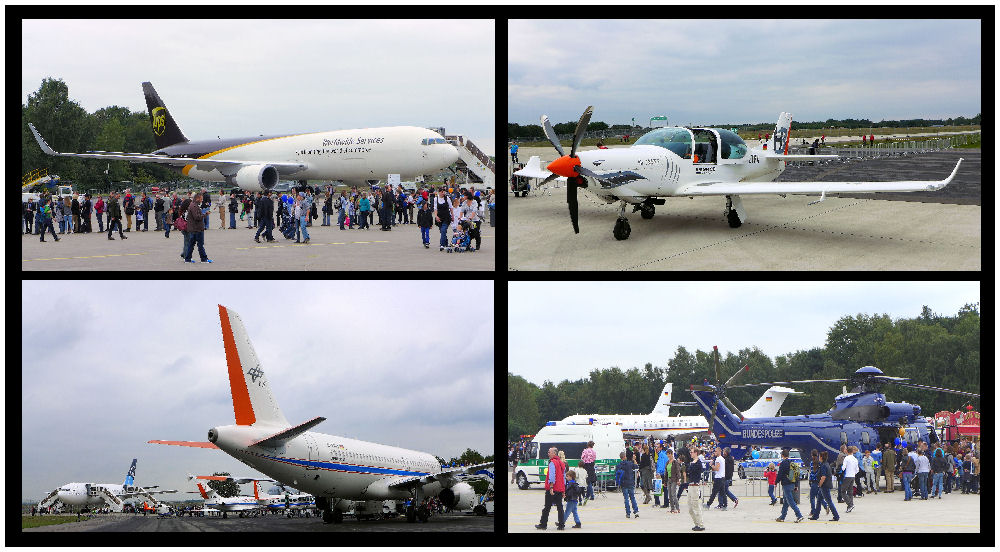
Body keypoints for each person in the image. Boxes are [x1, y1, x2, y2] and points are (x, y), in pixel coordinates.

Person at [535, 447, 566, 530]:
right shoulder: (561, 463)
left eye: (549, 452)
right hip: (560, 488)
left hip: (553, 488)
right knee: (560, 507)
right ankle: (561, 525)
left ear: (554, 453)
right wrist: (563, 490)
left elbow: (552, 476)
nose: (548, 453)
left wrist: (551, 487)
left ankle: (543, 524)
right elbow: (564, 477)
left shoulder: (552, 463)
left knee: (547, 507)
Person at [183, 192, 213, 263]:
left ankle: (188, 259)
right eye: (201, 199)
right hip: (197, 229)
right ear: (197, 198)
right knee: (200, 245)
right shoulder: (194, 206)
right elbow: (197, 217)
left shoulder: (194, 205)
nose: (202, 200)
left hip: (194, 228)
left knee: (191, 244)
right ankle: (203, 259)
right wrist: (205, 214)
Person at [776, 448, 804, 522]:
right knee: (786, 501)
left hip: (786, 485)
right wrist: (796, 485)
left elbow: (780, 475)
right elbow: (796, 475)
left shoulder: (783, 464)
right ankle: (782, 517)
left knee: (791, 501)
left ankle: (799, 515)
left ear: (782, 455)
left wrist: (775, 482)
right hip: (792, 483)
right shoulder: (792, 463)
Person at [682, 448, 704, 531]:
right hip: (690, 485)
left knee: (695, 506)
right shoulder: (692, 463)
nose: (690, 454)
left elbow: (696, 472)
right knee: (690, 508)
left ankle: (700, 524)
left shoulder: (698, 463)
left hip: (695, 486)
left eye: (691, 452)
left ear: (696, 453)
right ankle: (696, 523)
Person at [615, 450, 639, 518]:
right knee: (632, 497)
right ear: (625, 457)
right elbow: (636, 467)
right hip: (630, 482)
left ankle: (628, 513)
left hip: (623, 483)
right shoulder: (630, 463)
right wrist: (634, 460)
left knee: (626, 499)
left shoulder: (618, 465)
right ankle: (636, 511)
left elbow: (616, 474)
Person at [817, 450, 840, 521]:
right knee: (819, 499)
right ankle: (815, 515)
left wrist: (819, 484)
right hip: (826, 485)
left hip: (824, 485)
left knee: (829, 501)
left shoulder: (823, 465)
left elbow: (823, 477)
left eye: (819, 457)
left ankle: (836, 516)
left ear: (821, 457)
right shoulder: (826, 464)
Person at [579, 441, 597, 505]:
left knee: (588, 482)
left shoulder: (585, 451)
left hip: (586, 466)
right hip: (592, 466)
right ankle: (591, 495)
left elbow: (582, 458)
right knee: (590, 482)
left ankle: (590, 496)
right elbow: (594, 459)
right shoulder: (594, 452)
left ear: (587, 445)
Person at [841, 445, 859, 513]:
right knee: (850, 491)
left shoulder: (846, 458)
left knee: (843, 491)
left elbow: (843, 468)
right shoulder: (855, 459)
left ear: (847, 451)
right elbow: (857, 470)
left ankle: (850, 504)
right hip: (853, 476)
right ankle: (849, 506)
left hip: (847, 476)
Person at [666, 448, 682, 513]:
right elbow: (666, 472)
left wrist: (678, 479)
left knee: (673, 494)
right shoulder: (667, 462)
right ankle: (672, 508)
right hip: (669, 479)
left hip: (674, 479)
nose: (668, 456)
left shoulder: (675, 462)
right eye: (667, 454)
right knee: (669, 494)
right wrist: (665, 481)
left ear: (672, 454)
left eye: (669, 454)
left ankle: (677, 508)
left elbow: (678, 471)